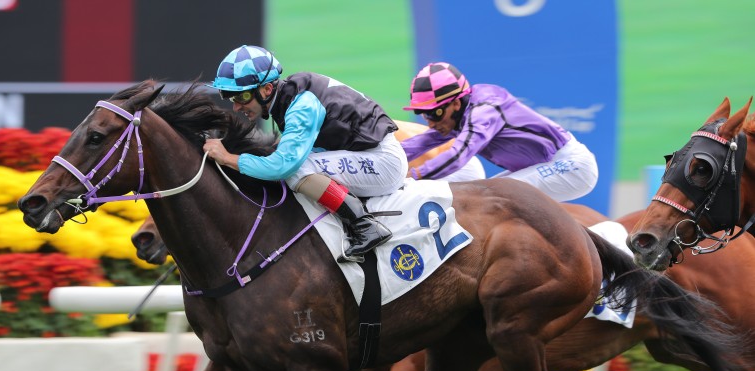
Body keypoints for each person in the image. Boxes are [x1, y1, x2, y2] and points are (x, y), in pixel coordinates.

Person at [203, 45, 408, 261]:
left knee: (296, 171)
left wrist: (228, 158)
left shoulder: (302, 105)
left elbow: (283, 166)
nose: (236, 107)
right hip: (370, 155)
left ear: (267, 90)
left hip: (382, 162)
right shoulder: (290, 97)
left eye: (242, 96)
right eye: (231, 98)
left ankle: (365, 226)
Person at [400, 62, 598, 202]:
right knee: (476, 198)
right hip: (545, 165)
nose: (431, 123)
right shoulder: (456, 116)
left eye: (434, 113)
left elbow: (458, 155)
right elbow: (418, 143)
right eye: (424, 115)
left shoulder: (485, 109)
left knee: (487, 198)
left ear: (456, 102)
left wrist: (412, 178)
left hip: (573, 165)